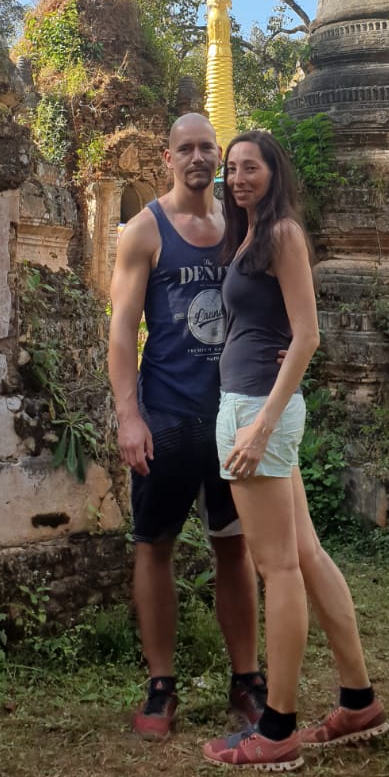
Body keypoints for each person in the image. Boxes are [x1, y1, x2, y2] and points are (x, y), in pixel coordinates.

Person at [202, 130, 389, 771]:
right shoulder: (250, 235)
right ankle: (358, 701)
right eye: (231, 168)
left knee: (276, 568)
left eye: (249, 167)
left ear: (274, 172)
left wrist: (260, 426)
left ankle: (277, 728)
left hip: (258, 411)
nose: (237, 177)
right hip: (253, 405)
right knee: (304, 554)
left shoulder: (281, 233)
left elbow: (307, 336)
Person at [108, 113, 266, 740]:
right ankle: (161, 684)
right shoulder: (145, 231)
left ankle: (246, 679)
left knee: (235, 545)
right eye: (187, 149)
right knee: (155, 545)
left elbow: (266, 304)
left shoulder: (240, 226)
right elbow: (123, 329)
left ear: (218, 157)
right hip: (167, 415)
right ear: (167, 158)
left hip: (233, 415)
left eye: (208, 148)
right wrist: (129, 416)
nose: (198, 158)